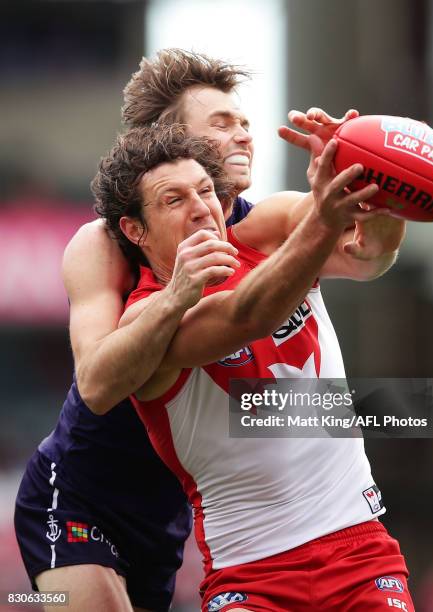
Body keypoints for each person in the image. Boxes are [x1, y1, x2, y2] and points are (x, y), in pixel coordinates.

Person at [14, 49, 404, 611]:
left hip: (175, 504)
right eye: (221, 125)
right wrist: (176, 294)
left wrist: (374, 179)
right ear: (171, 141)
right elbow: (98, 385)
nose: (244, 135)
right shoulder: (106, 243)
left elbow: (369, 257)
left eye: (244, 122)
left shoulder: (264, 221)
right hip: (82, 495)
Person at [92, 122, 414, 612]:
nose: (201, 207)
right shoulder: (147, 314)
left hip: (359, 551)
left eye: (205, 192)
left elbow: (372, 255)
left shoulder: (267, 239)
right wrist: (321, 221)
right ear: (135, 230)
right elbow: (247, 315)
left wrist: (382, 189)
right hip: (251, 576)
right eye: (174, 200)